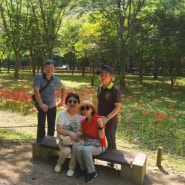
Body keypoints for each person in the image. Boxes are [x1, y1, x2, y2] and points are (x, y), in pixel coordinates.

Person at [33, 59, 65, 143]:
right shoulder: (38, 77)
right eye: (47, 67)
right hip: (41, 105)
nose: (49, 69)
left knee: (51, 125)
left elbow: (63, 88)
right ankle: (40, 141)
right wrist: (41, 105)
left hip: (52, 106)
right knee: (41, 124)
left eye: (51, 68)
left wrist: (62, 101)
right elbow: (36, 90)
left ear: (54, 69)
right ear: (44, 68)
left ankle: (50, 142)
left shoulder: (55, 79)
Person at [75, 100, 106, 183]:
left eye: (87, 108)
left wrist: (100, 126)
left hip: (100, 146)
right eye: (83, 108)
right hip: (89, 143)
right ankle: (83, 169)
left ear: (92, 109)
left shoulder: (98, 119)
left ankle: (92, 172)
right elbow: (84, 135)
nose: (85, 110)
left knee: (85, 150)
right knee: (77, 148)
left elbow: (101, 136)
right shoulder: (83, 121)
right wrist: (82, 139)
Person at [54, 93, 83, 177]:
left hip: (76, 139)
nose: (72, 103)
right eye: (70, 101)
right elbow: (59, 130)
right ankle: (59, 164)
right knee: (67, 151)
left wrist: (78, 137)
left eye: (75, 101)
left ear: (78, 103)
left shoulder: (81, 115)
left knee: (75, 149)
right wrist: (70, 133)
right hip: (63, 139)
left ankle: (71, 168)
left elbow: (82, 131)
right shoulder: (62, 114)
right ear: (66, 103)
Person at [96, 65, 121, 164]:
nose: (103, 76)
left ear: (111, 77)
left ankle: (112, 161)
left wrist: (107, 118)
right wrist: (96, 115)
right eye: (102, 74)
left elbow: (117, 107)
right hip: (100, 119)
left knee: (110, 139)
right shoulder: (99, 87)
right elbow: (98, 102)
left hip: (110, 120)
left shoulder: (115, 90)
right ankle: (99, 155)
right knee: (99, 137)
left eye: (106, 74)